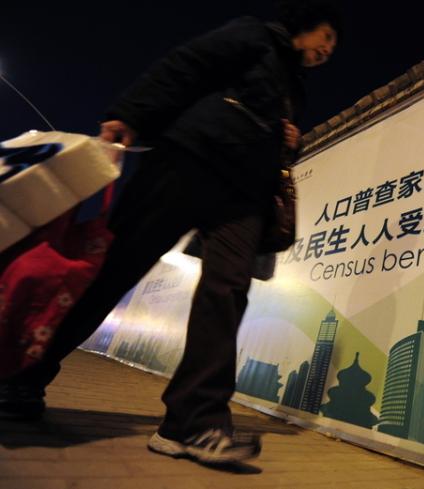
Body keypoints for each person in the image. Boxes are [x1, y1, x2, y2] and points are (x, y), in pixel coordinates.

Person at [0, 0, 341, 465]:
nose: (328, 50)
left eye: (334, 47)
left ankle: (194, 424)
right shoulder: (253, 35)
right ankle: (22, 379)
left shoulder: (293, 88)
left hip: (245, 196)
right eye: (327, 38)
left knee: (227, 292)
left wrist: (289, 143)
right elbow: (188, 64)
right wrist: (131, 114)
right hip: (187, 162)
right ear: (306, 24)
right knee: (112, 273)